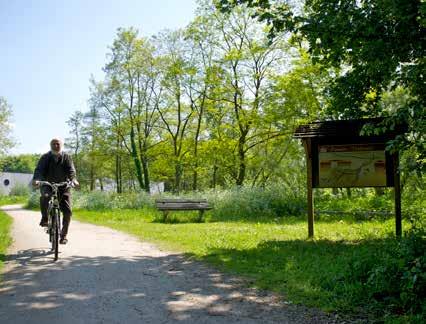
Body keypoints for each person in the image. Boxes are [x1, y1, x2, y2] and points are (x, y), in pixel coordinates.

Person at [32, 138, 79, 244]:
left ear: (61, 145)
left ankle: (63, 236)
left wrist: (73, 180)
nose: (55, 146)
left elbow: (71, 170)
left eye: (57, 144)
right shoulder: (45, 157)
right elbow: (39, 170)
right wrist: (37, 180)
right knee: (45, 197)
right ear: (50, 145)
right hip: (47, 184)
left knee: (67, 211)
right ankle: (45, 218)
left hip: (63, 186)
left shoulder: (66, 157)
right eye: (53, 144)